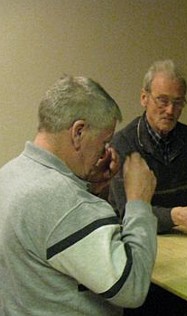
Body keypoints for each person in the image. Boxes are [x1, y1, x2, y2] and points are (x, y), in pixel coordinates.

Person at [0, 76, 158, 315]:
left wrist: (93, 190)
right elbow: (132, 288)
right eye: (104, 141)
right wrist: (139, 202)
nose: (105, 152)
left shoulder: (10, 174)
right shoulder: (62, 200)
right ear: (78, 132)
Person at [109, 59, 187, 237]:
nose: (170, 110)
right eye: (163, 100)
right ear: (144, 98)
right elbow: (126, 213)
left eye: (178, 102)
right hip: (140, 241)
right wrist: (175, 216)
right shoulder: (123, 144)